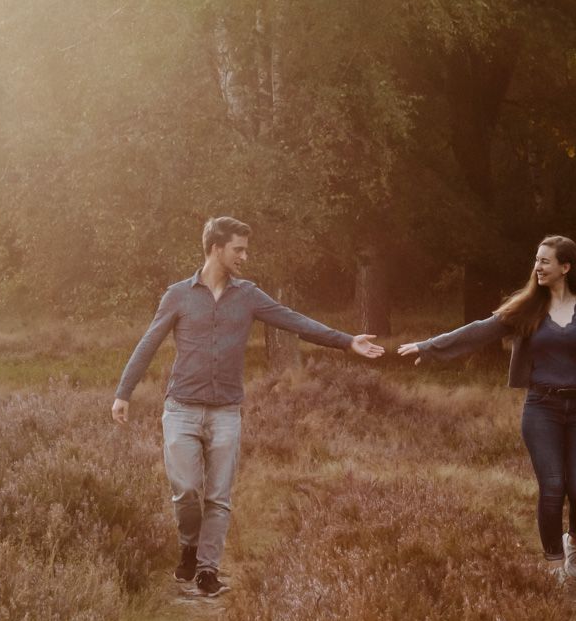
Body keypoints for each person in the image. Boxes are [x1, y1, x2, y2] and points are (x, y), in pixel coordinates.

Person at [113, 216, 385, 596]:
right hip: (181, 410)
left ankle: (208, 571)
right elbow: (149, 342)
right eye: (238, 248)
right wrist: (123, 392)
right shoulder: (178, 295)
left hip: (226, 411)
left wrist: (345, 341)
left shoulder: (249, 296)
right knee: (187, 491)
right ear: (216, 248)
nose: (245, 255)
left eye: (245, 248)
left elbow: (295, 322)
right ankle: (189, 546)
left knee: (219, 496)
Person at [398, 236, 576, 581]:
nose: (537, 267)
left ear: (565, 267)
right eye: (536, 260)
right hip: (542, 408)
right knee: (553, 487)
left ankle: (574, 541)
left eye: (545, 261)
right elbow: (479, 331)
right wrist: (429, 347)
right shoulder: (528, 308)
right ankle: (555, 570)